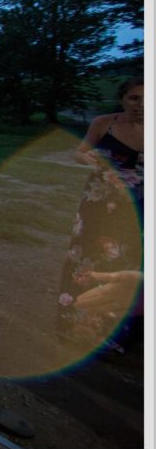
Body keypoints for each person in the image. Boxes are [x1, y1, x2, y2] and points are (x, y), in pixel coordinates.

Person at [57, 76, 143, 352]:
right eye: (134, 98)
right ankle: (76, 324)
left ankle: (115, 333)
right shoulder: (104, 123)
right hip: (99, 203)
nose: (140, 105)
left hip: (139, 206)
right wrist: (92, 158)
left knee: (127, 264)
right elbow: (80, 153)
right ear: (123, 99)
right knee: (86, 260)